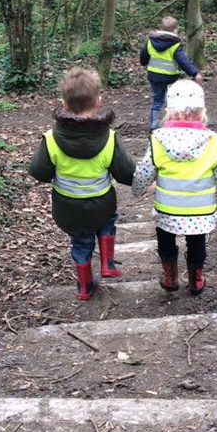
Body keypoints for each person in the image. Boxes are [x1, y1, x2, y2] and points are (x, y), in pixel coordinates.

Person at [29, 67, 135, 301]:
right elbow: (126, 172)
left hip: (68, 208)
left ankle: (85, 286)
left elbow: (39, 172)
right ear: (98, 101)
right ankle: (107, 262)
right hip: (102, 203)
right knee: (107, 221)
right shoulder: (109, 138)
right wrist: (140, 181)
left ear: (64, 104)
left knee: (80, 240)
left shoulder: (50, 139)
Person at [132, 79, 217, 295]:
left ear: (169, 112)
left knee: (165, 238)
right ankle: (196, 280)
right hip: (200, 211)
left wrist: (137, 189)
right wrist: (212, 179)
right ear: (202, 112)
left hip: (168, 209)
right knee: (197, 242)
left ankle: (170, 277)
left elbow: (144, 171)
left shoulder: (158, 139)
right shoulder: (212, 141)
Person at [140, 16, 202, 130]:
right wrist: (194, 73)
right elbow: (183, 61)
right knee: (172, 99)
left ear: (160, 28)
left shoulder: (150, 42)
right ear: (175, 30)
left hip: (154, 76)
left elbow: (143, 57)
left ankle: (154, 124)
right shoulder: (175, 44)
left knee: (157, 100)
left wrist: (144, 62)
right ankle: (172, 122)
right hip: (170, 77)